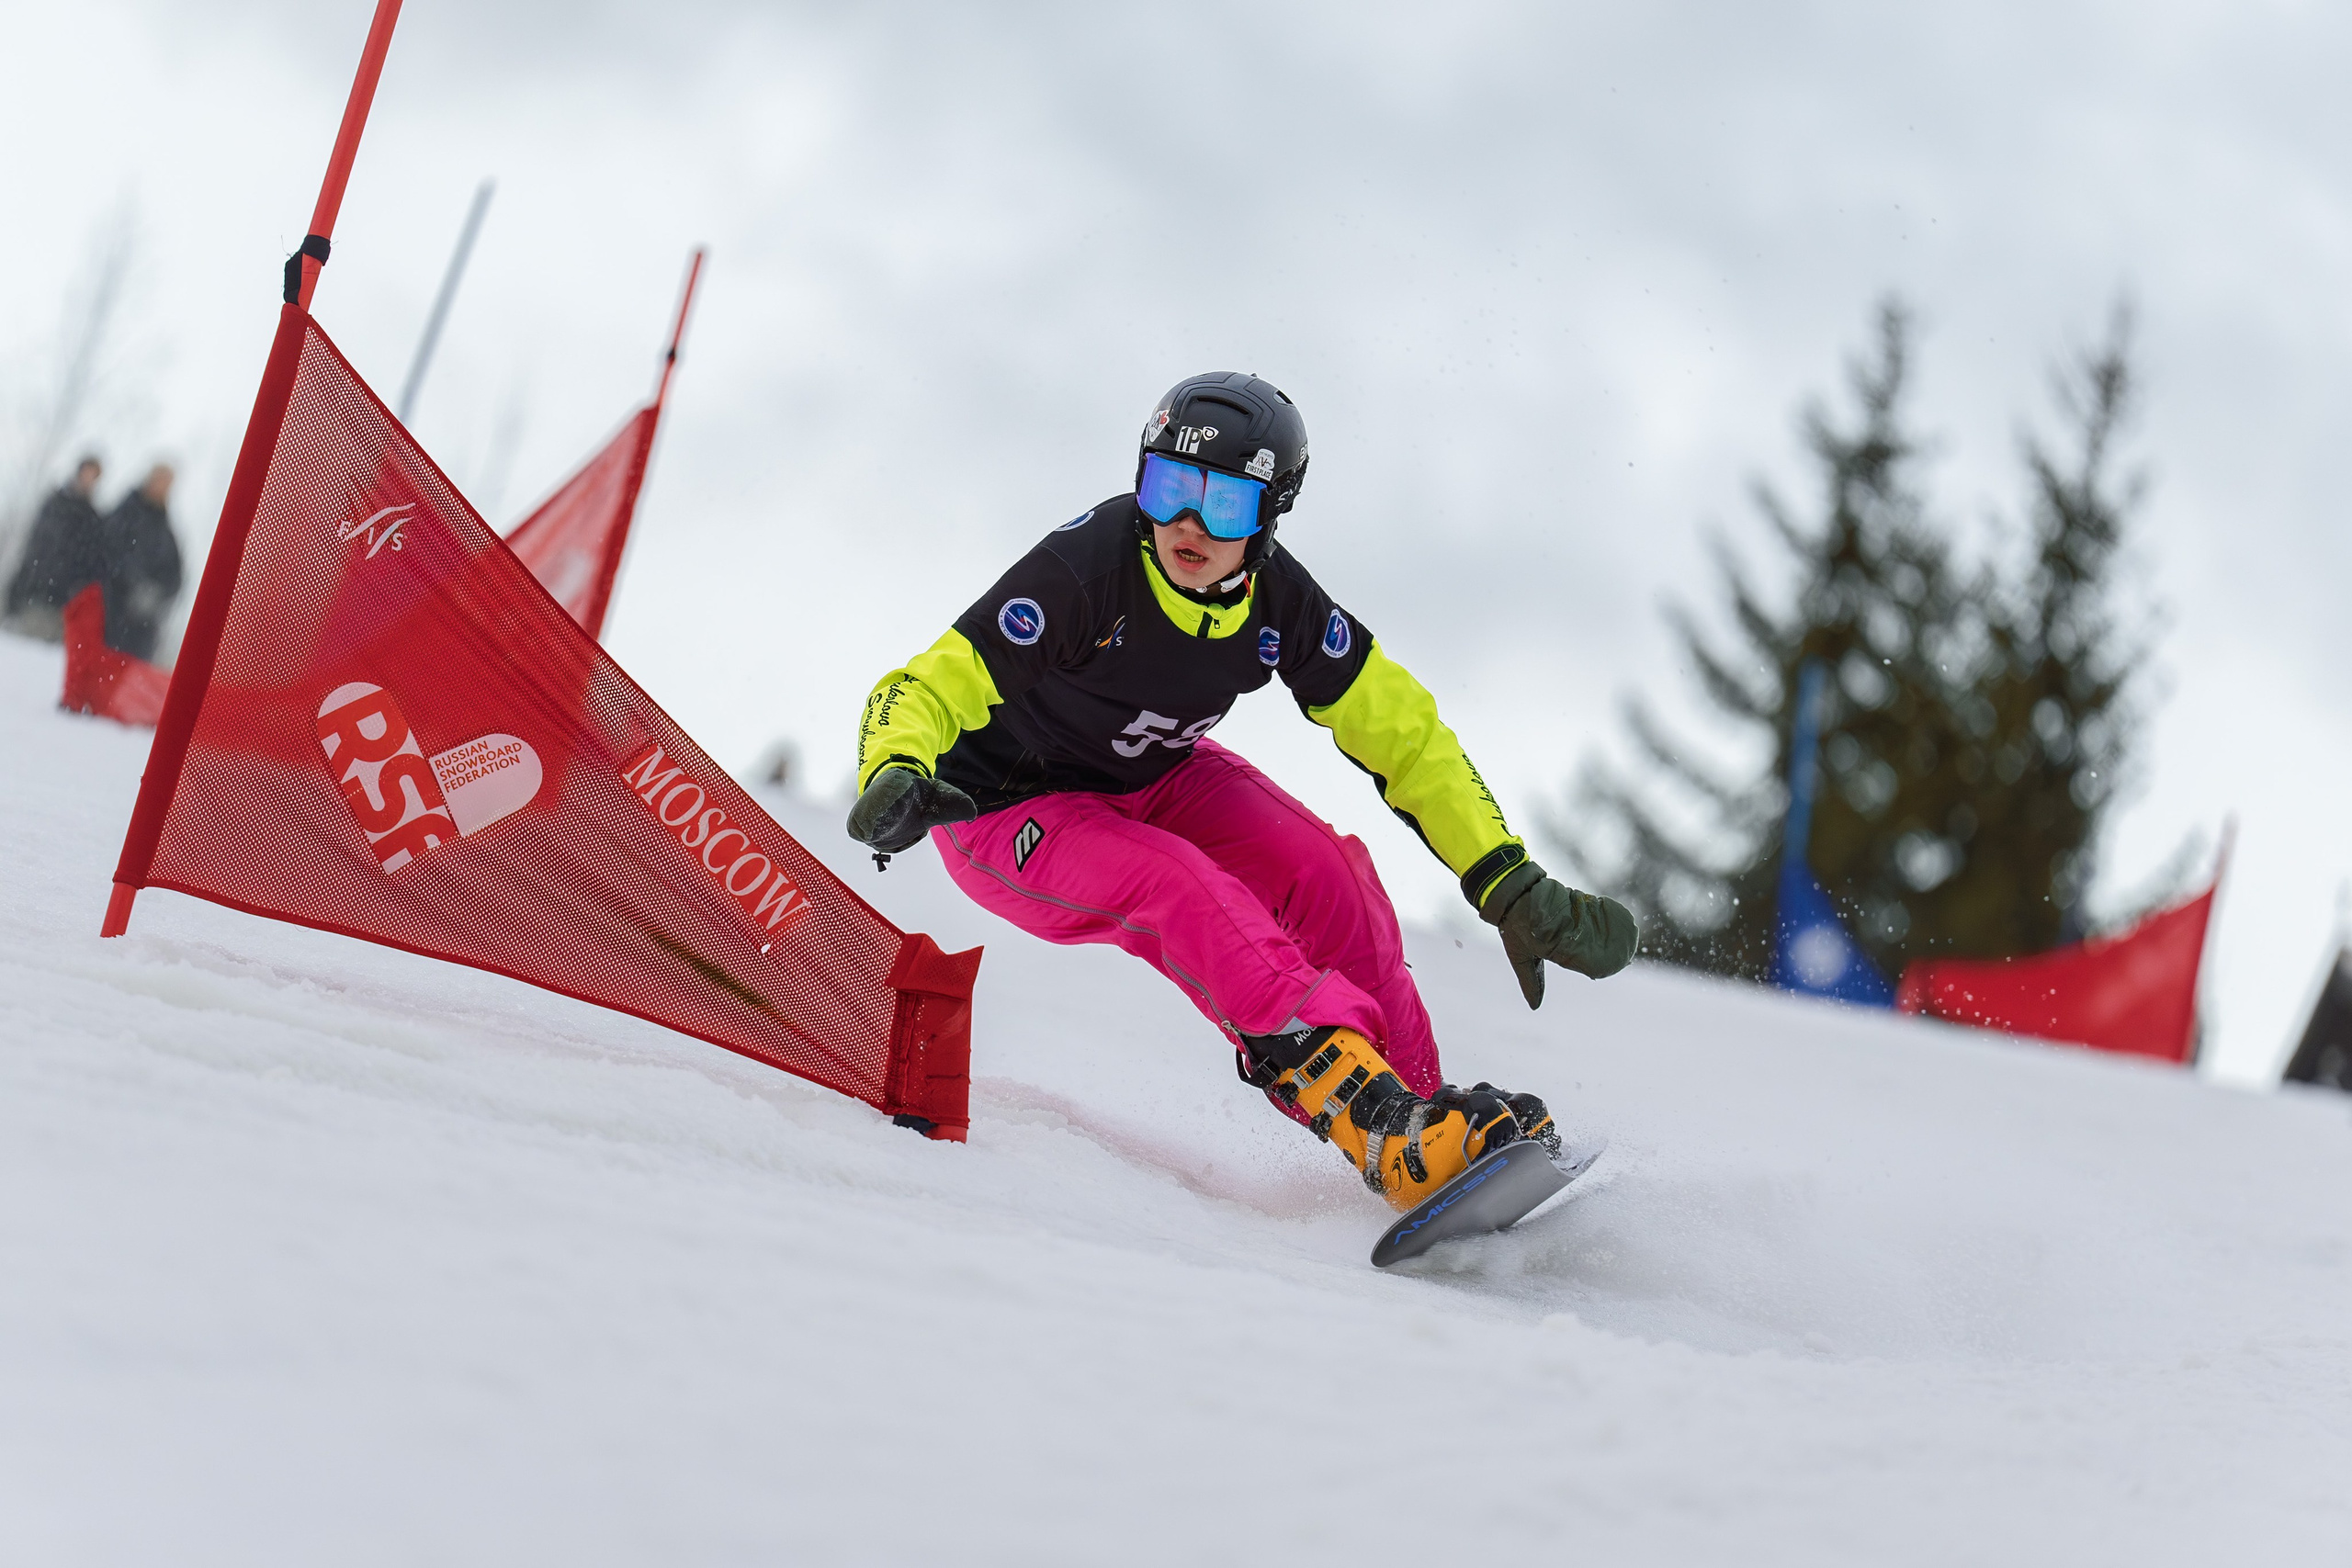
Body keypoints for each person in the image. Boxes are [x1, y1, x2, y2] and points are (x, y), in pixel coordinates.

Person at [846, 373, 1638, 1211]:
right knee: (1185, 890)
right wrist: (894, 767)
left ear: (1269, 515)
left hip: (1152, 774)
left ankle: (1419, 1114)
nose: (1188, 524)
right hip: (1005, 807)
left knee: (1329, 873)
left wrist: (1504, 876)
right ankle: (1375, 1124)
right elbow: (929, 682)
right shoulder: (1089, 569)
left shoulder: (1279, 603)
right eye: (1169, 487)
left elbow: (1402, 729)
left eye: (1224, 504)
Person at [3, 456, 106, 642]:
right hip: (33, 591)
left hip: (61, 601)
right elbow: (35, 545)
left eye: (93, 476)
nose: (88, 479)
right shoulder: (55, 503)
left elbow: (89, 562)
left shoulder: (93, 520)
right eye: (87, 473)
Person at [97, 462, 184, 661]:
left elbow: (175, 575)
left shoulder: (167, 532)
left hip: (142, 631)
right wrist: (135, 584)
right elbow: (108, 552)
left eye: (167, 483)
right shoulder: (124, 515)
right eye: (159, 480)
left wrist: (156, 595)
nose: (162, 487)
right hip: (109, 615)